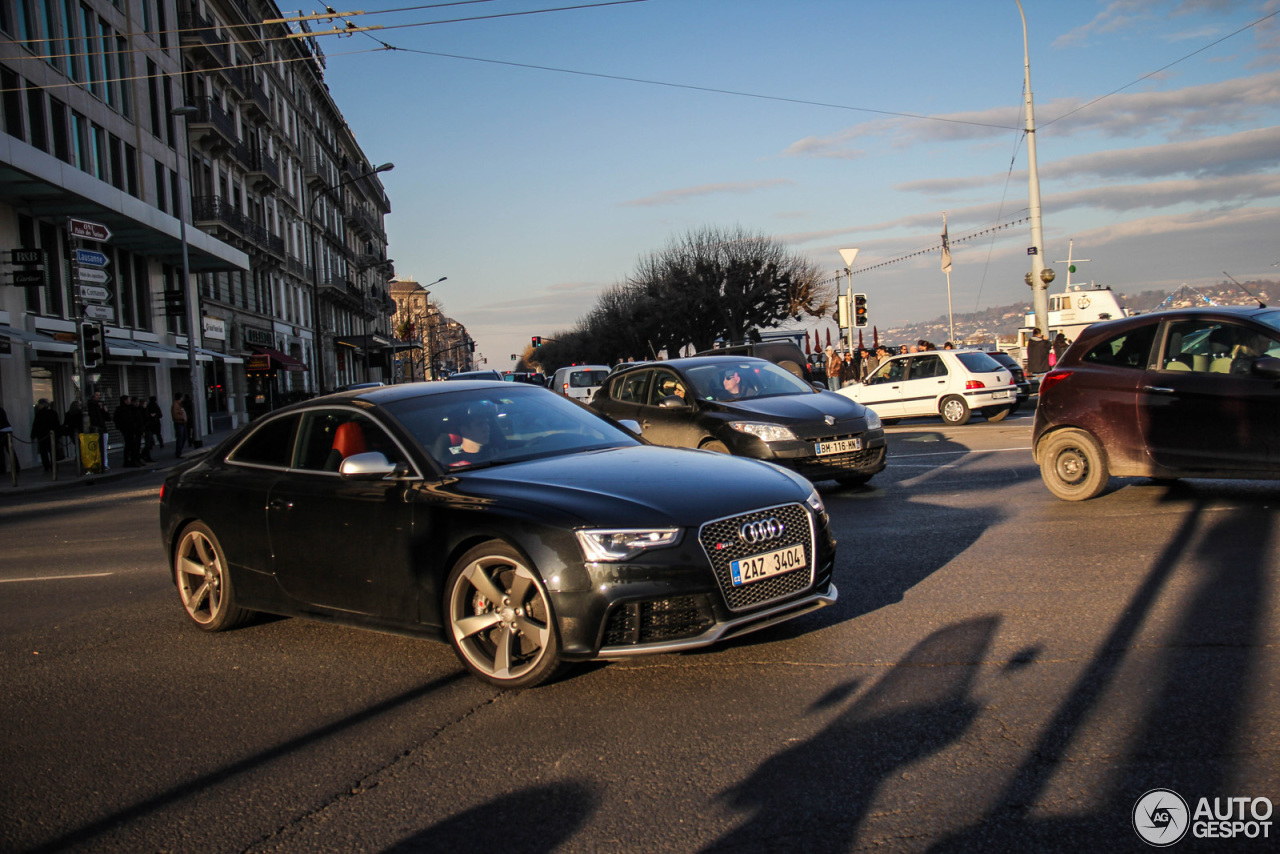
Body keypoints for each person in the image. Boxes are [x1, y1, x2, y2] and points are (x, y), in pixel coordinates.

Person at [30, 399, 61, 472]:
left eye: (39, 404)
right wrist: (58, 434)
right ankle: (53, 465)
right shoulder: (53, 412)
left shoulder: (39, 414)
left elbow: (35, 426)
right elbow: (57, 425)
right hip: (51, 435)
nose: (38, 406)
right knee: (52, 451)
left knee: (44, 452)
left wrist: (33, 435)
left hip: (42, 436)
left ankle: (46, 466)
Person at [87, 390, 110, 470]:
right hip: (96, 429)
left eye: (99, 395)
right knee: (96, 448)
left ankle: (104, 463)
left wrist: (104, 410)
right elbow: (93, 416)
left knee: (104, 448)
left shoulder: (101, 406)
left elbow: (108, 418)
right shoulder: (91, 405)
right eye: (96, 395)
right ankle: (97, 463)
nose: (98, 397)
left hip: (103, 428)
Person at [0, 405, 16, 475]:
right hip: (7, 430)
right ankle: (16, 466)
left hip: (2, 431)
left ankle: (2, 469)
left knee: (1, 451)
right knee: (10, 450)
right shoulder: (1, 410)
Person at [171, 393, 188, 458]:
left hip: (182, 423)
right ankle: (178, 452)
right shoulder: (175, 405)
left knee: (183, 437)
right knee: (180, 438)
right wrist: (182, 417)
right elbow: (175, 414)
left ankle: (179, 450)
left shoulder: (180, 404)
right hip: (179, 423)